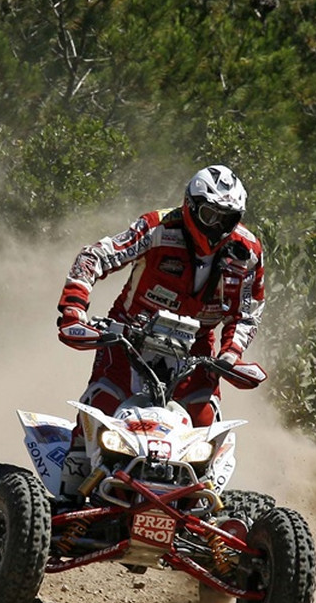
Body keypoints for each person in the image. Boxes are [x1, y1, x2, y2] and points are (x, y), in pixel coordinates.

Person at [56, 164, 265, 431]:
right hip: (128, 336)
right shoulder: (157, 227)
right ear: (190, 205)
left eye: (228, 219)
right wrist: (74, 309)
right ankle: (76, 465)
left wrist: (231, 354)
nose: (217, 227)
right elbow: (95, 256)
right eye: (210, 214)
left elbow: (246, 314)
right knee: (101, 411)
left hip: (195, 347)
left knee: (206, 424)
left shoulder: (248, 253)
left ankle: (202, 475)